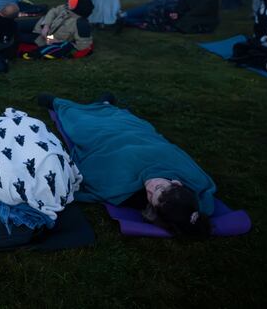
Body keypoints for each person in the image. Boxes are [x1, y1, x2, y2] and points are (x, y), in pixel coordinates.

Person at [38, 94, 214, 236]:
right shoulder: (192, 182)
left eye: (152, 197)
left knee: (85, 128)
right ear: (176, 183)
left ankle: (60, 104)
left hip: (107, 143)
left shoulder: (131, 196)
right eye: (159, 187)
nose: (150, 188)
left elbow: (96, 178)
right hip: (140, 137)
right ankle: (105, 105)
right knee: (127, 122)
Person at [18, 0, 94, 59]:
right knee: (15, 24)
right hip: (40, 24)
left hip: (42, 39)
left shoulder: (81, 24)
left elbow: (83, 47)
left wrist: (57, 41)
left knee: (16, 35)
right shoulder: (68, 7)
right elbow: (53, 11)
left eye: (71, 4)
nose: (67, 5)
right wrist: (46, 26)